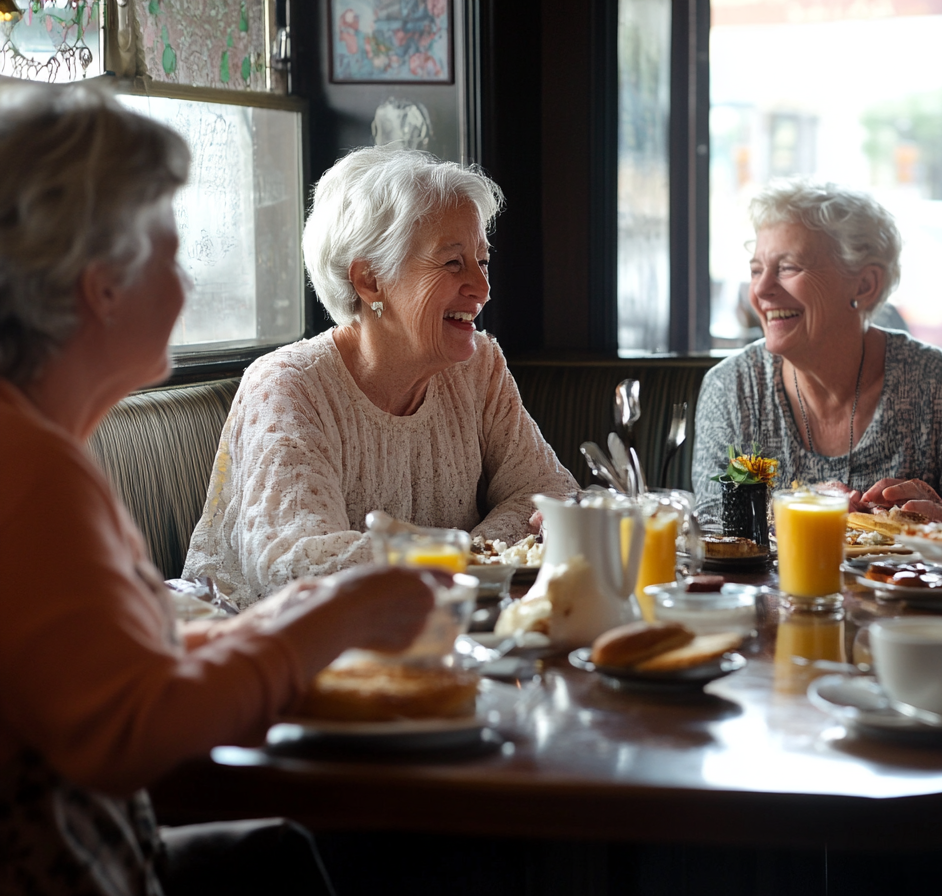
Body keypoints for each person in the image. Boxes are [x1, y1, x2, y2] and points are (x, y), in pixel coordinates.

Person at [0, 82, 436, 894]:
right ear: (102, 286)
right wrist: (339, 615)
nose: (189, 280)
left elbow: (127, 667)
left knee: (284, 857)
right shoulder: (28, 470)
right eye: (170, 250)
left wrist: (307, 619)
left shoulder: (36, 442)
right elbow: (133, 728)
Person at [184, 146, 577, 607]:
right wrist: (466, 560)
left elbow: (548, 493)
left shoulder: (477, 369)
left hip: (435, 635)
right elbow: (295, 564)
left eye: (482, 261)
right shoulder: (289, 386)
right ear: (370, 281)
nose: (483, 288)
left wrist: (475, 559)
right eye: (453, 263)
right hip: (269, 656)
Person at [691, 179, 942, 520]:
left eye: (787, 267)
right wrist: (803, 510)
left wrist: (937, 522)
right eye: (756, 270)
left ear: (865, 285)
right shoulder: (732, 388)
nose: (761, 289)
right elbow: (712, 528)